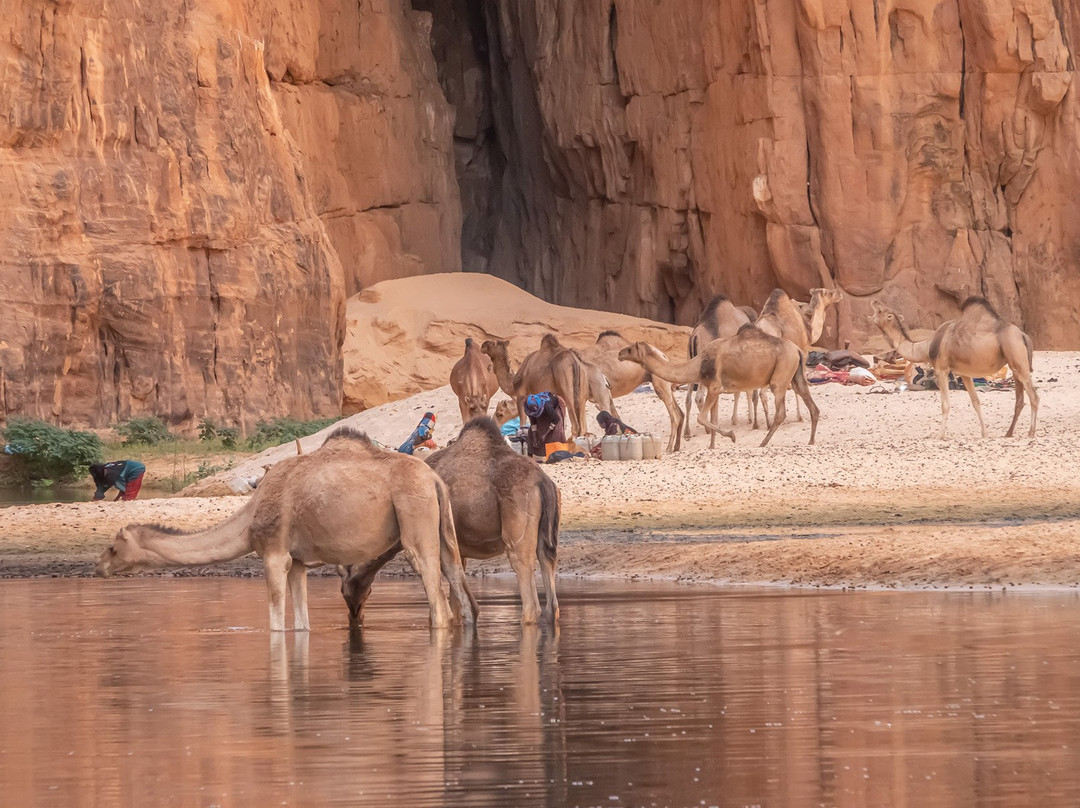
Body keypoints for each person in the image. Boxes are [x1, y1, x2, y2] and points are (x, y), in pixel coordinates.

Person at [523, 392, 566, 458]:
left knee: (556, 433)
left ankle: (557, 455)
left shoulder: (547, 406)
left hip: (555, 409)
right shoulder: (529, 408)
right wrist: (534, 436)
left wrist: (545, 435)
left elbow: (556, 419)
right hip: (545, 412)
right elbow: (533, 422)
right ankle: (530, 456)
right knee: (531, 433)